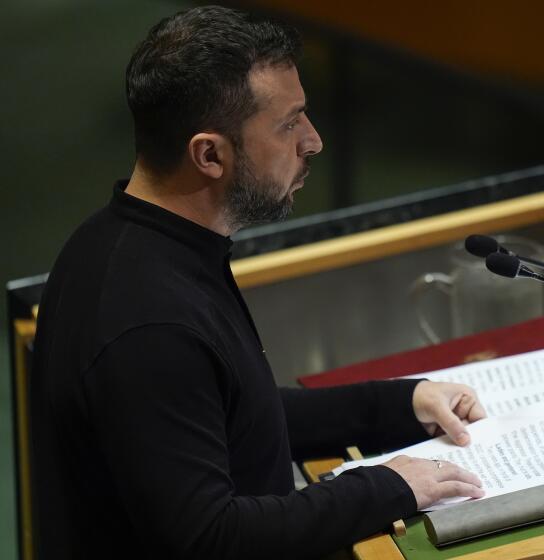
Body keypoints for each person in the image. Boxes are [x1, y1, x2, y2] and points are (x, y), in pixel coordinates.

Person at [30, 6, 486, 559]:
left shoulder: (125, 242)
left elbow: (237, 417)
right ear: (209, 155)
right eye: (289, 123)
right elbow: (210, 537)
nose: (313, 141)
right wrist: (389, 488)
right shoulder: (149, 324)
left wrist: (401, 402)